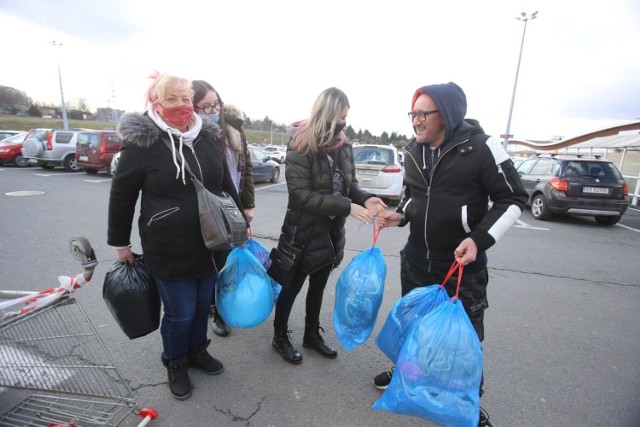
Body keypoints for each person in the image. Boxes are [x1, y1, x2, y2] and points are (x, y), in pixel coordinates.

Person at [373, 82, 527, 427]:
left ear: (445, 114)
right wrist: (400, 215)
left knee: (465, 340)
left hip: (461, 267)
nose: (414, 121)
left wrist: (479, 239)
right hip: (416, 260)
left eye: (421, 114)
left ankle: (468, 406)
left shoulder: (483, 148)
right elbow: (413, 197)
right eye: (412, 114)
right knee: (412, 327)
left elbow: (514, 199)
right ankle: (407, 376)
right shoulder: (413, 150)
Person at [108, 73, 244, 400]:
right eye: (173, 99)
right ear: (156, 102)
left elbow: (224, 183)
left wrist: (240, 224)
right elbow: (122, 194)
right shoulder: (144, 142)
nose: (182, 105)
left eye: (186, 98)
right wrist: (120, 242)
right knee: (180, 311)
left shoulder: (206, 137)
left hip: (211, 243)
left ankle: (197, 350)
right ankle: (176, 361)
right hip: (167, 245)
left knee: (200, 306)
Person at [271, 87, 386, 364]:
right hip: (302, 230)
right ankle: (279, 337)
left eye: (346, 117)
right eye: (339, 117)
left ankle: (311, 334)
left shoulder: (344, 144)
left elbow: (350, 185)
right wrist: (347, 206)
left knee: (319, 285)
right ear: (325, 114)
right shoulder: (301, 143)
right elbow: (300, 196)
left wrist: (367, 198)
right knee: (291, 286)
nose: (343, 123)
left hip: (331, 231)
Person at [192, 80, 255, 337]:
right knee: (211, 263)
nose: (213, 110)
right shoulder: (193, 135)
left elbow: (245, 170)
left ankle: (223, 306)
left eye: (216, 104)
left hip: (232, 206)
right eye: (205, 107)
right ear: (194, 108)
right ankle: (214, 310)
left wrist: (247, 205)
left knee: (228, 261)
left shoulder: (233, 133)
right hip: (207, 208)